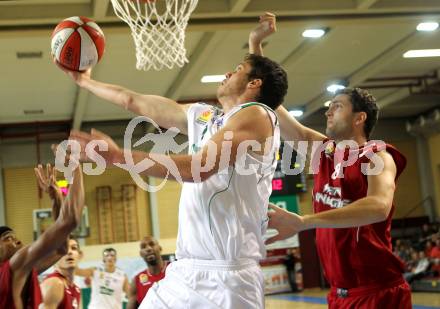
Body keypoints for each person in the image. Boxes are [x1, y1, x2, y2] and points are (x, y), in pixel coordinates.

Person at [55, 26, 288, 307]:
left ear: (254, 84)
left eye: (238, 68)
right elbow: (134, 101)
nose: (228, 73)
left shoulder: (257, 115)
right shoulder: (205, 116)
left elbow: (198, 169)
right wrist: (84, 82)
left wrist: (118, 157)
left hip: (229, 277)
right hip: (185, 271)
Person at [249, 13, 412, 308]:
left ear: (359, 118)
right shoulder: (322, 151)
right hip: (338, 294)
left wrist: (304, 222)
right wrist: (255, 44)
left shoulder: (377, 155)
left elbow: (378, 206)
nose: (327, 112)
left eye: (337, 107)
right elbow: (271, 103)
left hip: (378, 292)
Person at [0, 163, 84, 308]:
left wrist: (56, 199)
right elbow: (70, 220)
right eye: (8, 238)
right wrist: (76, 168)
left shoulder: (22, 271)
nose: (18, 240)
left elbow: (61, 249)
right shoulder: (14, 266)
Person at [41, 236, 82, 309]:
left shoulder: (77, 290)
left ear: (80, 256)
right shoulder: (54, 283)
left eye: (74, 248)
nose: (69, 252)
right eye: (63, 249)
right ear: (53, 258)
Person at [127, 236, 167, 309]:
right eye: (143, 247)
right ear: (141, 254)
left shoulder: (174, 269)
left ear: (160, 248)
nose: (148, 248)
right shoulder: (137, 281)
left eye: (152, 244)